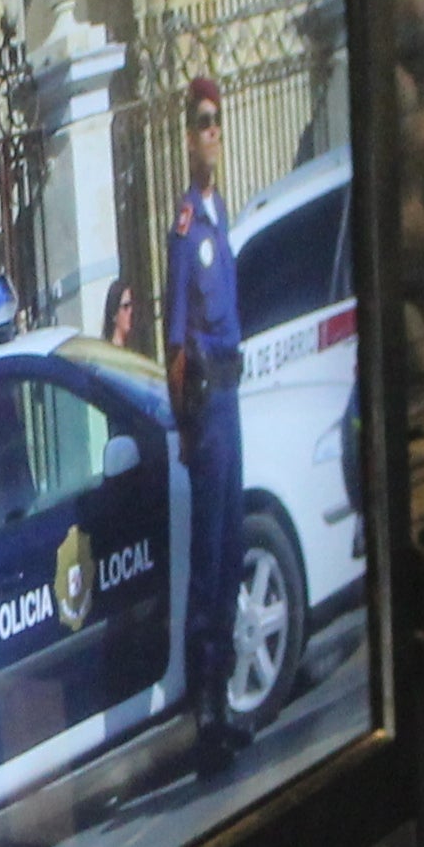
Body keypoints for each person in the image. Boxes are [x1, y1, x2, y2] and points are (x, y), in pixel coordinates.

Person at [162, 124, 246, 770]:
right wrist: (186, 429)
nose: (210, 139)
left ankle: (226, 697)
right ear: (190, 142)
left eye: (216, 127)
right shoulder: (188, 231)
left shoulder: (221, 219)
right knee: (210, 556)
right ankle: (205, 713)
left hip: (232, 402)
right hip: (208, 411)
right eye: (201, 129)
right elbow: (176, 345)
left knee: (232, 550)